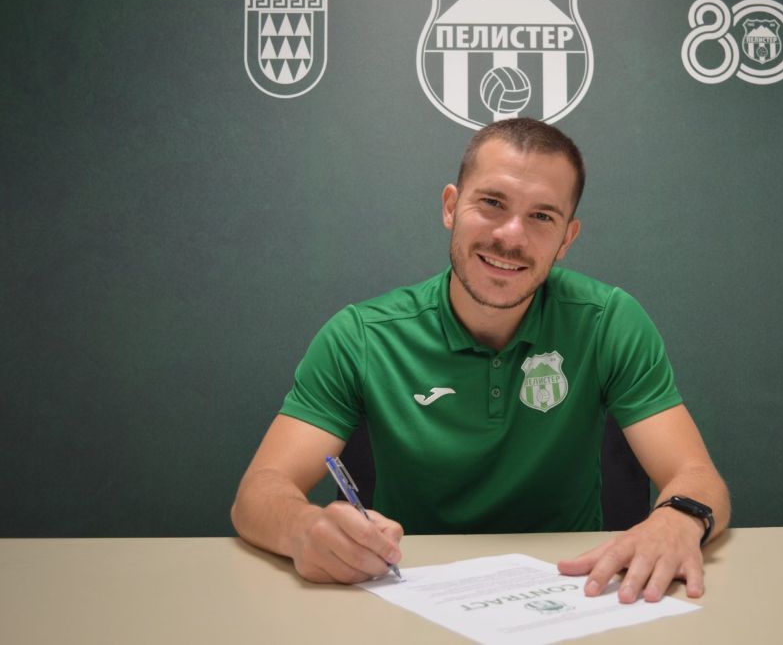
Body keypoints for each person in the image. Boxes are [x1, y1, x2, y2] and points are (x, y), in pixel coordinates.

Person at [231, 118, 730, 603]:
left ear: (567, 238)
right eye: (492, 203)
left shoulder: (609, 321)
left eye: (542, 216)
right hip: (407, 590)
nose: (511, 236)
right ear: (451, 207)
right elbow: (258, 493)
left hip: (572, 591)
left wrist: (677, 519)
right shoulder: (360, 335)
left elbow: (697, 474)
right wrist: (304, 528)